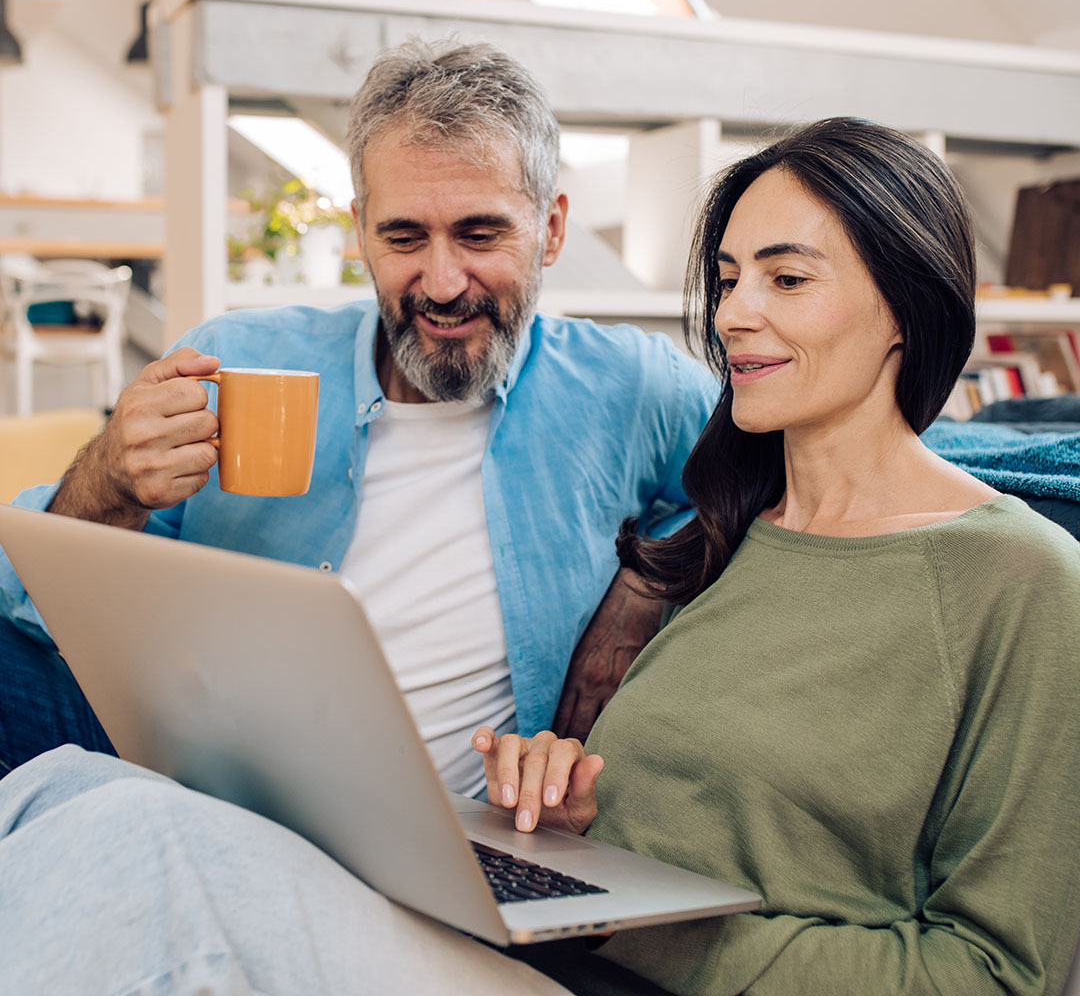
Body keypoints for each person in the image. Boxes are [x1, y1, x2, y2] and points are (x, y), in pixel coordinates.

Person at [3, 117, 1077, 996]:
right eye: (729, 276)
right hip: (526, 934)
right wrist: (559, 810)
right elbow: (673, 805)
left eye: (786, 281)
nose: (734, 316)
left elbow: (1001, 973)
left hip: (602, 963)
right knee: (69, 789)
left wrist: (631, 927)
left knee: (150, 853)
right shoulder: (724, 528)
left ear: (910, 302)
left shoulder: (1018, 584)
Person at [0, 39, 719, 788]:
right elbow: (27, 608)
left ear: (552, 230)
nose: (441, 283)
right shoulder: (233, 359)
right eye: (404, 237)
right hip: (195, 770)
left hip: (435, 831)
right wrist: (107, 481)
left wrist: (647, 582)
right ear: (360, 231)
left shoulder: (630, 387)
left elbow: (771, 477)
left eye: (480, 234)